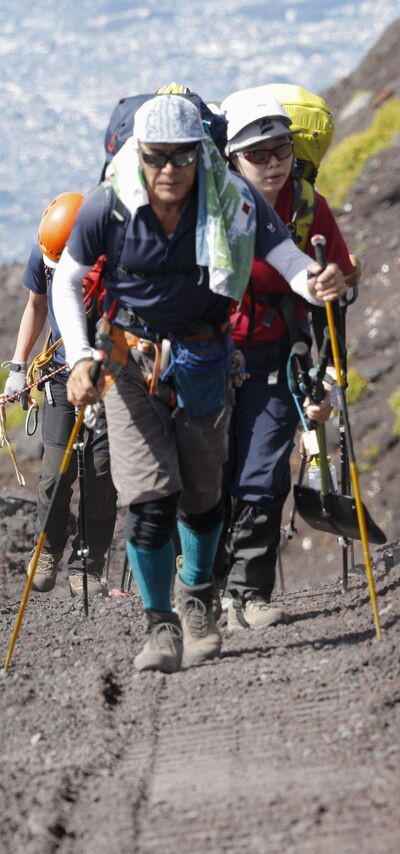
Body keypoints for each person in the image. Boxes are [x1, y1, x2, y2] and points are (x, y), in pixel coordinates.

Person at [55, 95, 346, 673]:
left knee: (202, 496)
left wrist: (319, 285)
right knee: (149, 498)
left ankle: (198, 599)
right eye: (157, 157)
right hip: (128, 359)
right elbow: (67, 280)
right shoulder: (107, 206)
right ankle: (160, 624)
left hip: (207, 357)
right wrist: (81, 357)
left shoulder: (233, 201)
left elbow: (287, 261)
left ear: (200, 154)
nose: (169, 170)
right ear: (139, 154)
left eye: (182, 158)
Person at [214, 88, 355, 629]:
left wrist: (326, 375)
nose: (273, 163)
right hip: (210, 354)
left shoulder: (305, 206)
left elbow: (336, 282)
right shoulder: (209, 209)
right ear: (232, 158)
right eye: (257, 154)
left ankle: (249, 591)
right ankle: (207, 587)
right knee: (212, 471)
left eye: (282, 151)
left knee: (263, 470)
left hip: (277, 351)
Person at [0, 193, 118, 598]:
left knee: (100, 475)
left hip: (112, 379)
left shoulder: (117, 259)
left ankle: (89, 565)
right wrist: (18, 364)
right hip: (61, 376)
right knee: (56, 472)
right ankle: (46, 549)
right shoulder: (43, 255)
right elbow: (36, 306)